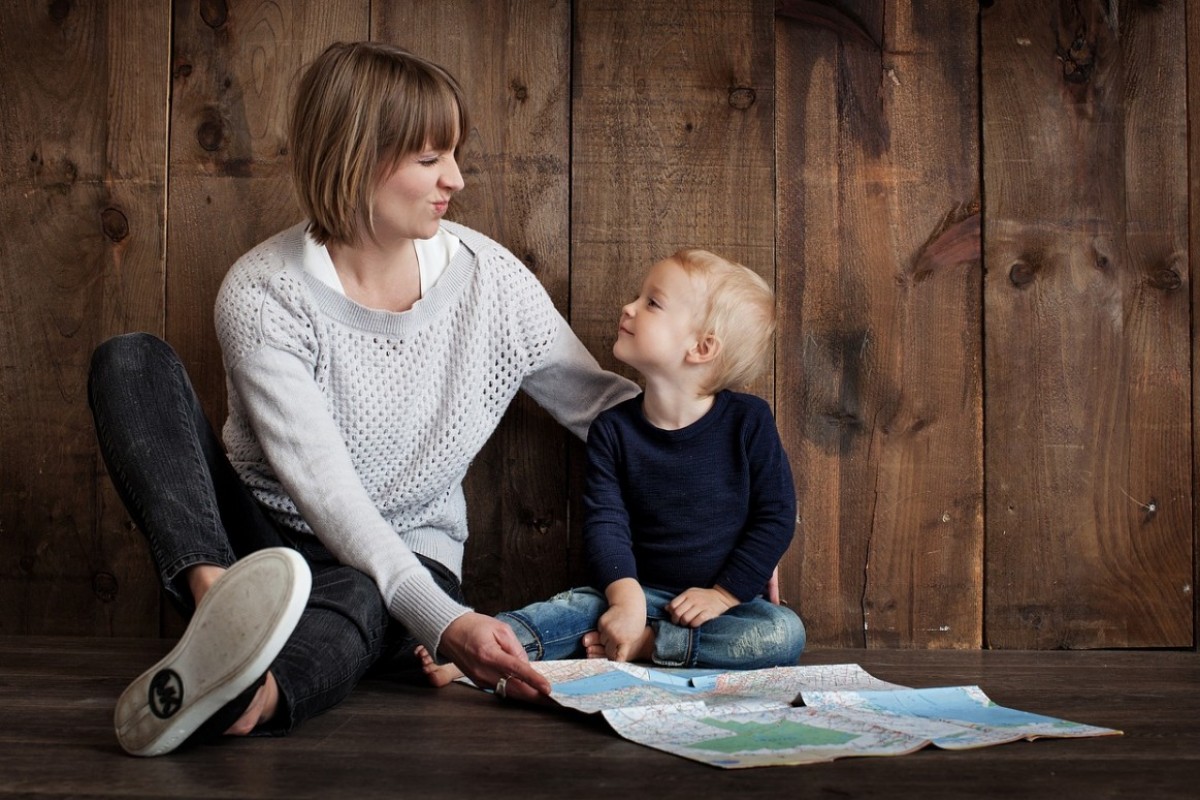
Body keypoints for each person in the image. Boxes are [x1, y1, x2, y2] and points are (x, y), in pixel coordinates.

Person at [86, 40, 638, 757]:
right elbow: (328, 493)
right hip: (258, 543)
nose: (457, 180)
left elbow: (604, 409)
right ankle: (221, 609)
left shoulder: (490, 282)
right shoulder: (262, 293)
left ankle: (250, 695)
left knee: (361, 593)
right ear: (358, 156)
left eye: (453, 155)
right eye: (430, 158)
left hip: (404, 556)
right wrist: (447, 626)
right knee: (130, 361)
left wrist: (732, 490)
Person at [422, 249, 804, 688]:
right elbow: (607, 522)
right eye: (638, 297)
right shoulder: (614, 430)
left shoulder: (748, 421)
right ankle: (475, 652)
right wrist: (625, 600)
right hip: (633, 590)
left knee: (782, 633)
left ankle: (648, 646)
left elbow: (775, 516)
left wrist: (724, 594)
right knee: (567, 610)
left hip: (722, 608)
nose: (629, 307)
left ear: (701, 347)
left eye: (652, 303)